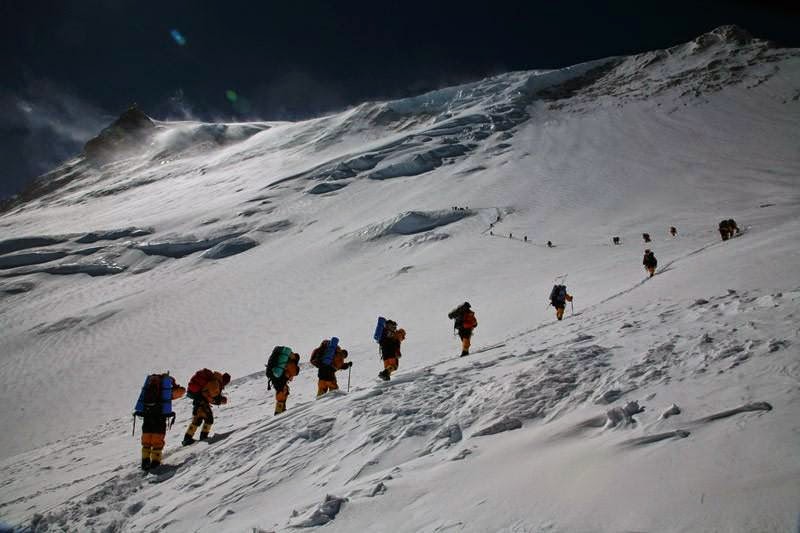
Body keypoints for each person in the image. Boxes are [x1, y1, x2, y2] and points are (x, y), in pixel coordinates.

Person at [134, 372, 185, 470]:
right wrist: (174, 385)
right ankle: (155, 463)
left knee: (146, 440)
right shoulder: (165, 390)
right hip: (159, 418)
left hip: (147, 416)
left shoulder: (149, 386)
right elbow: (181, 392)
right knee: (157, 441)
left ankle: (145, 462)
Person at [182, 370, 230, 445]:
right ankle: (203, 437)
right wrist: (221, 400)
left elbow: (208, 394)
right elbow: (212, 397)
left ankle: (187, 439)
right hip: (202, 403)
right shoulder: (215, 383)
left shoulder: (214, 380)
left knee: (197, 420)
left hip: (198, 401)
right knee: (209, 419)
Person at [265, 347, 301, 415]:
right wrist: (291, 375)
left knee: (282, 391)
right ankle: (279, 411)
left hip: (275, 376)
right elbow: (292, 372)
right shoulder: (291, 362)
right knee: (282, 392)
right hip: (280, 378)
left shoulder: (284, 360)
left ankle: (281, 410)